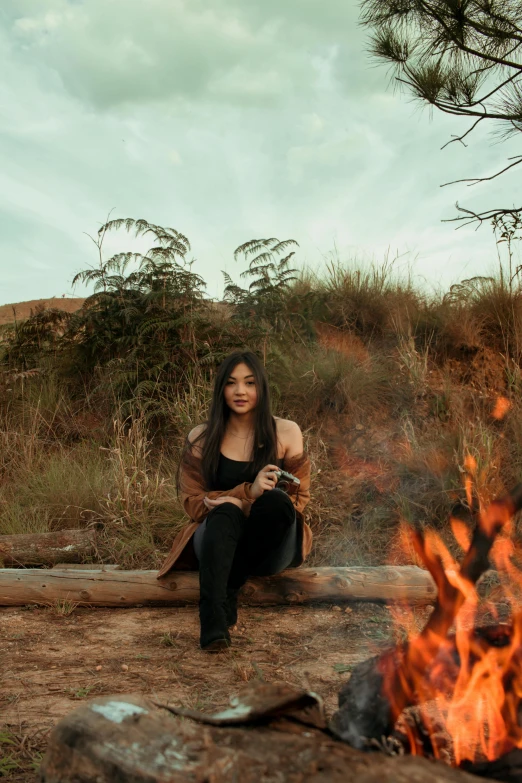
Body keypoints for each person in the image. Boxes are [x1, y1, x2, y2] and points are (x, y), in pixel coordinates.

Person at [157, 350, 312, 651]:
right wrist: (243, 496)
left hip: (270, 547)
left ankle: (228, 584)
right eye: (231, 383)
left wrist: (248, 505)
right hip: (216, 539)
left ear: (262, 387)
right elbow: (192, 502)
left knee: (277, 502)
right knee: (226, 511)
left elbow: (299, 500)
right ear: (221, 389)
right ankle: (213, 624)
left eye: (250, 383)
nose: (240, 391)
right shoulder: (201, 437)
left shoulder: (287, 432)